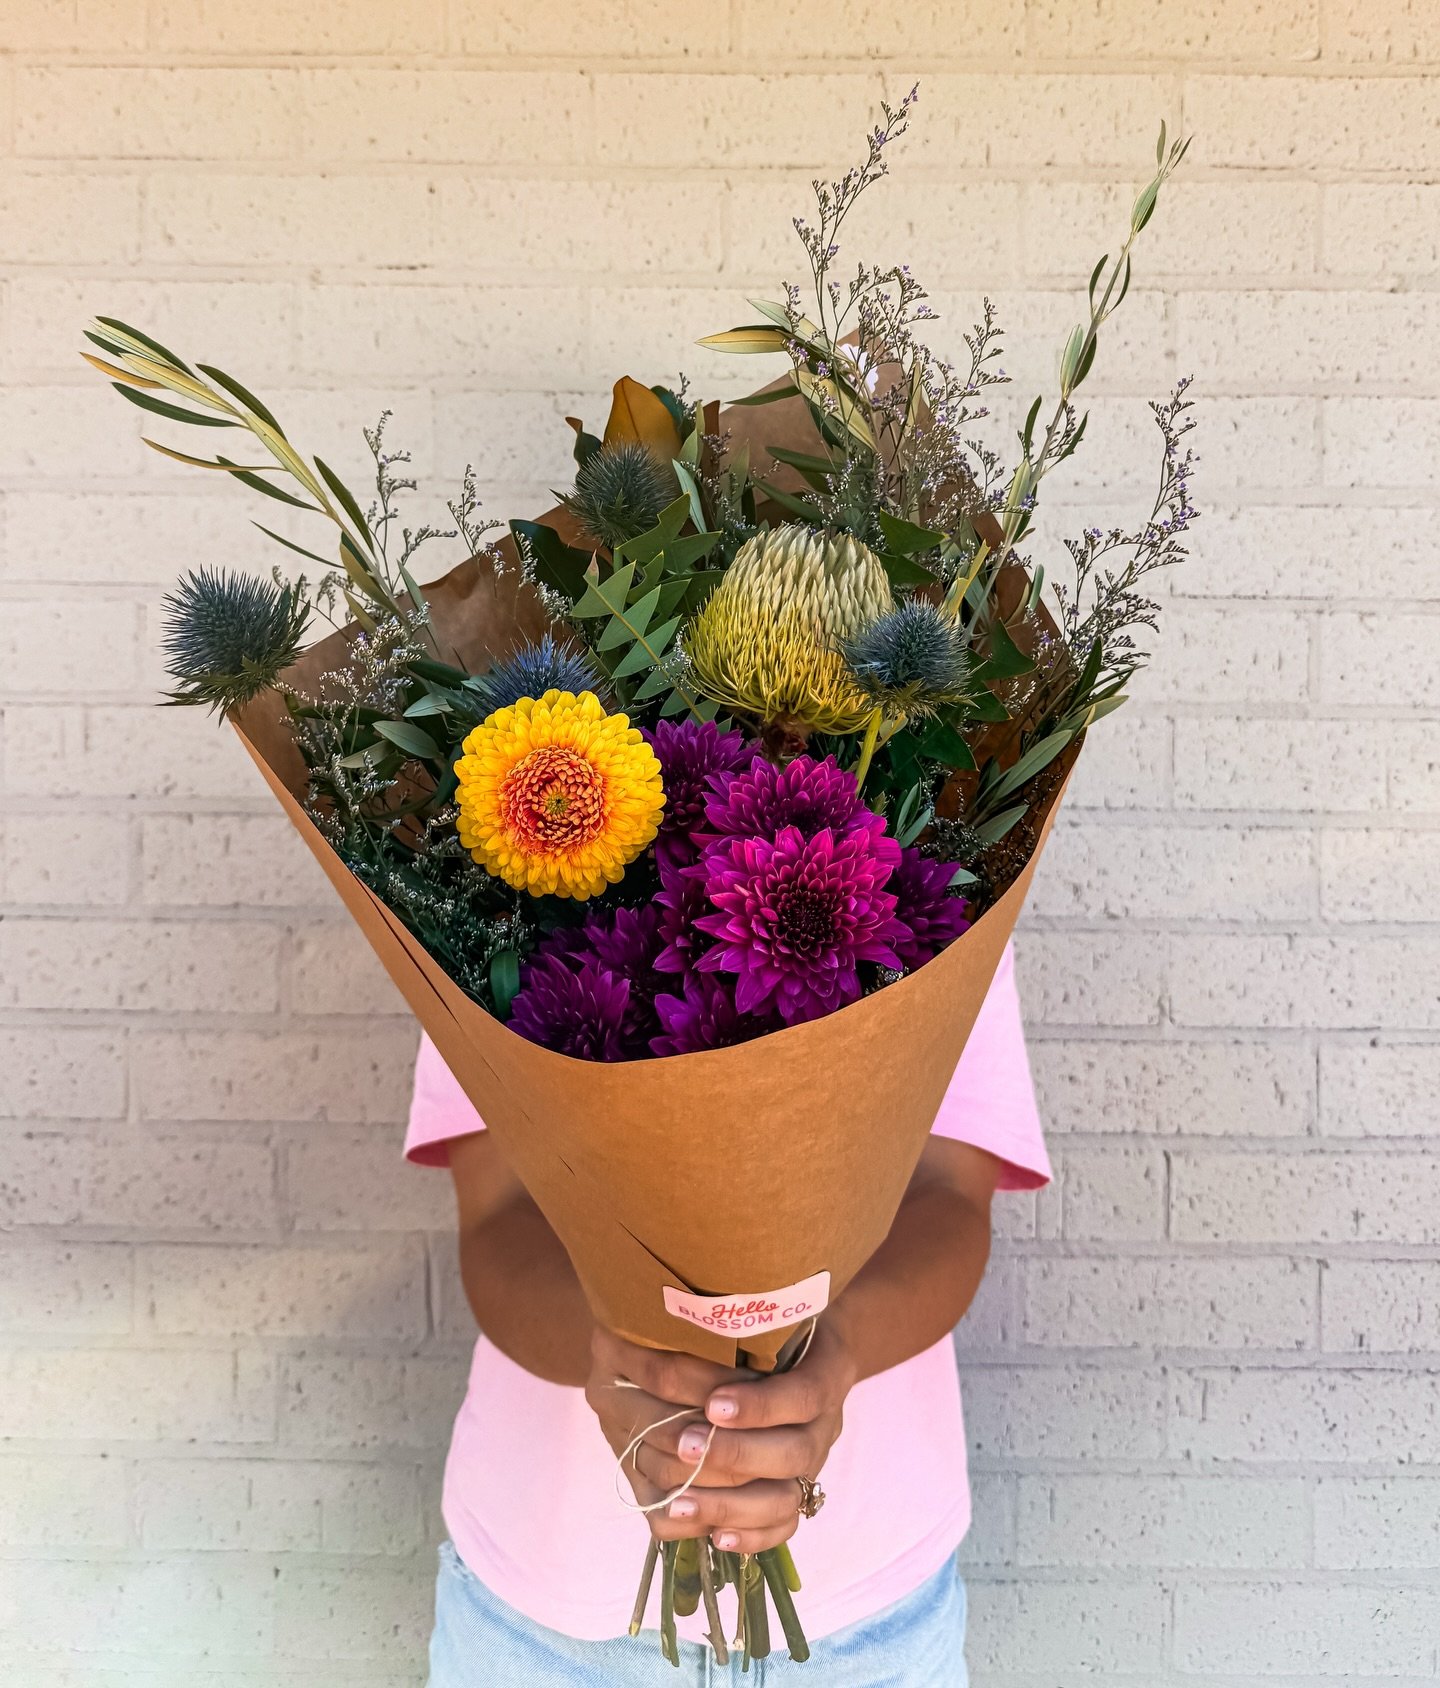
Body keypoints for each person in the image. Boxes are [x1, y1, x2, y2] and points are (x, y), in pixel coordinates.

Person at [407, 943, 1050, 1685]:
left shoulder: (943, 856)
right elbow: (497, 1216)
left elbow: (951, 1195)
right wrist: (615, 1358)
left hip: (872, 1608)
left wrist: (831, 1356)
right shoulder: (493, 872)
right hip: (545, 1618)